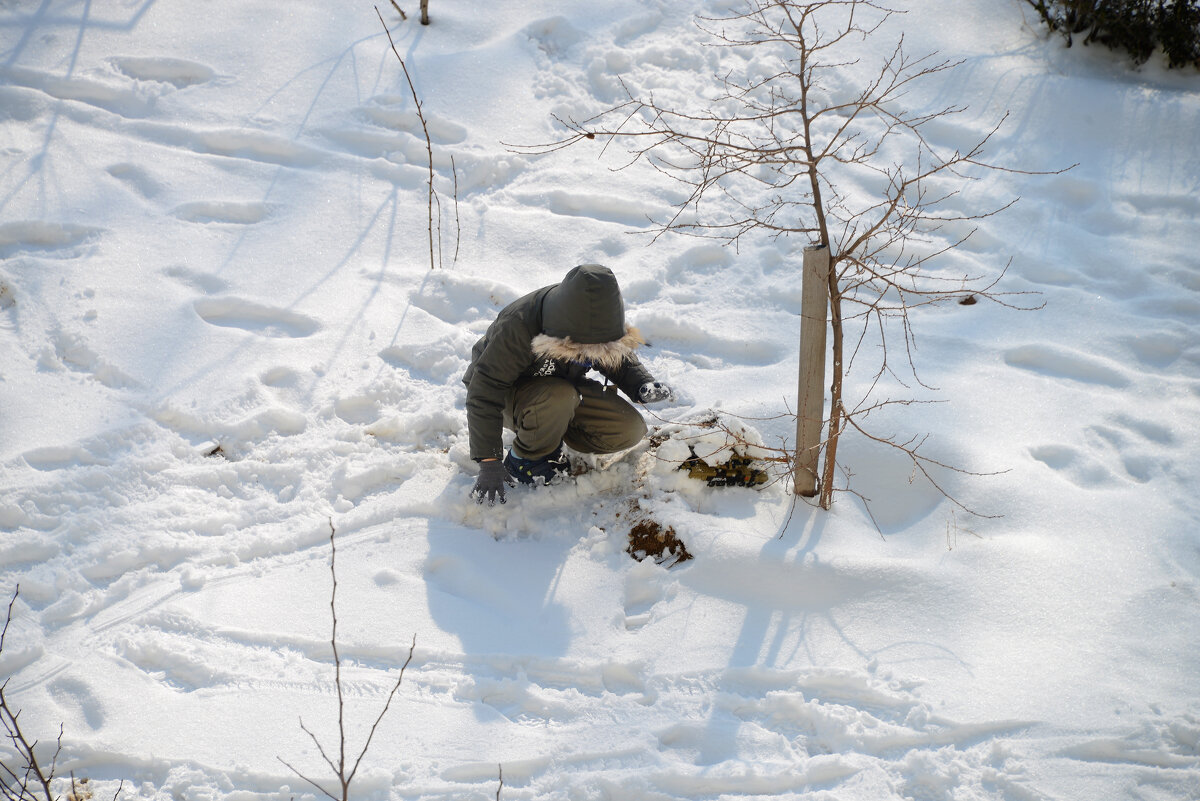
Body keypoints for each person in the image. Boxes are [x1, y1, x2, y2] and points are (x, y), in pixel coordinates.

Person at [463, 264, 674, 505]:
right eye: (582, 348)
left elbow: (612, 352)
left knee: (628, 428)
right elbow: (484, 390)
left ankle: (549, 434)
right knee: (558, 396)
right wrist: (489, 461)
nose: (590, 353)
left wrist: (641, 384)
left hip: (561, 394)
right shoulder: (519, 326)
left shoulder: (595, 319)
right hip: (509, 396)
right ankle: (524, 460)